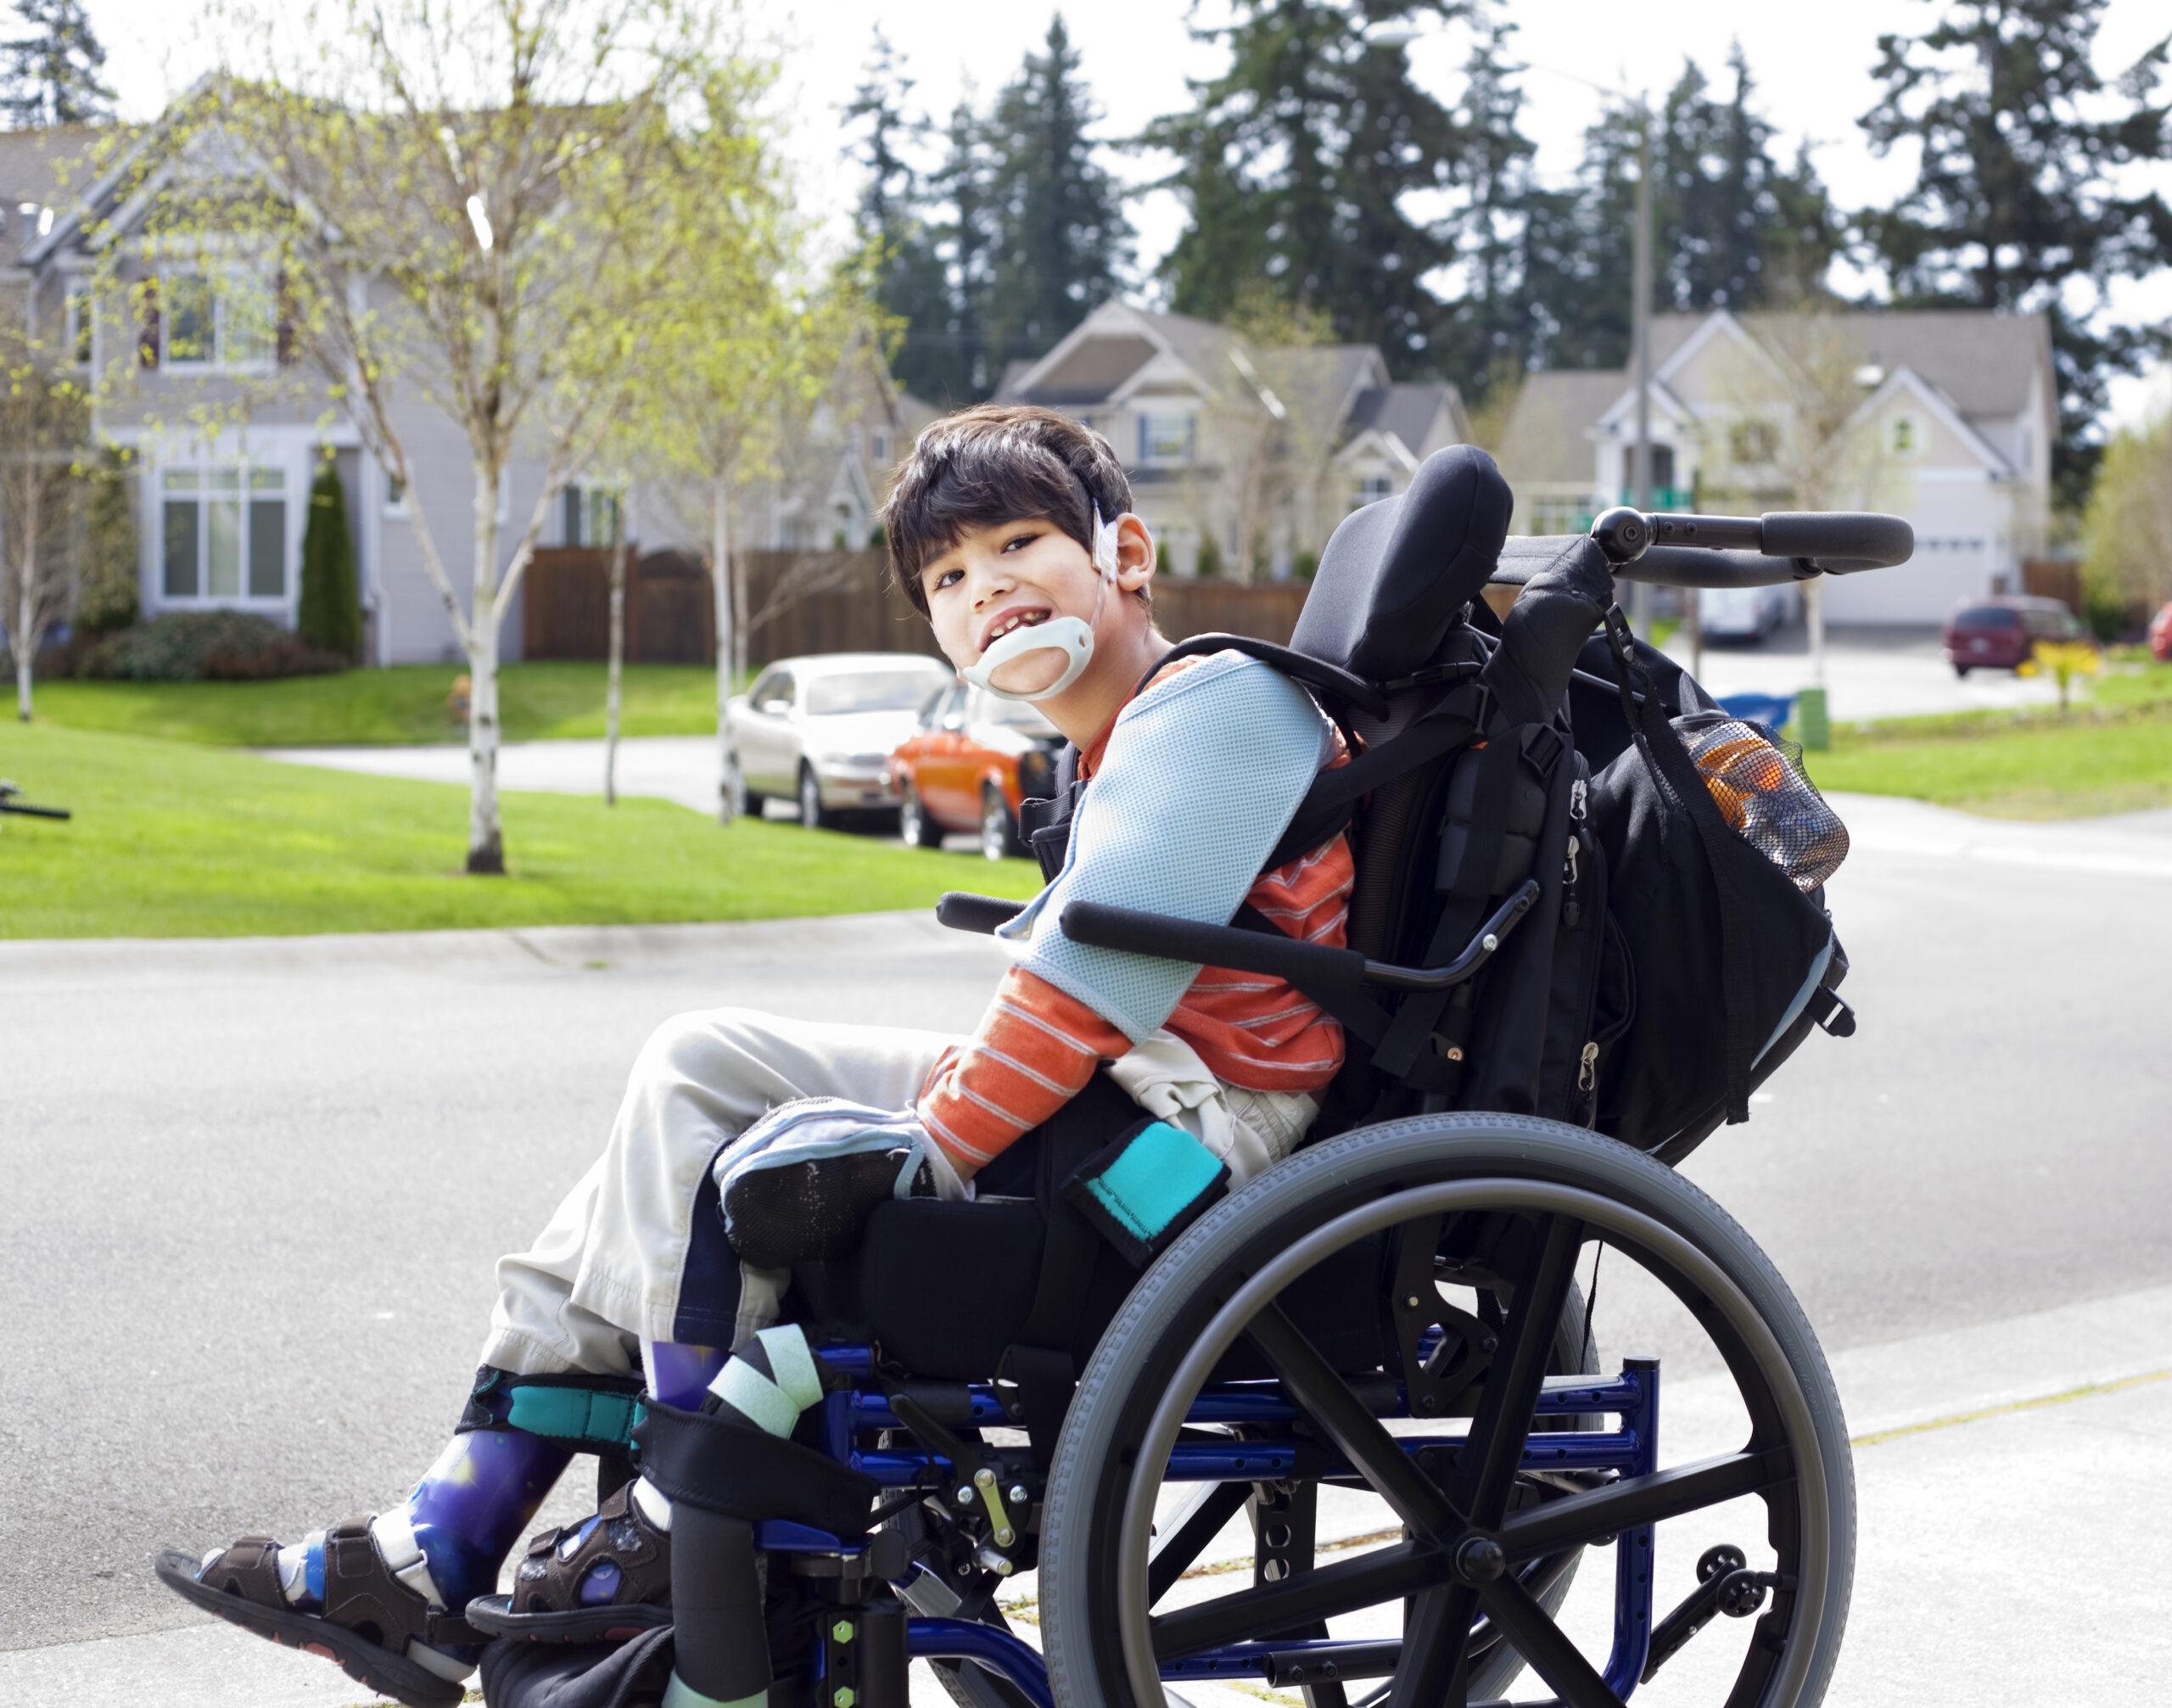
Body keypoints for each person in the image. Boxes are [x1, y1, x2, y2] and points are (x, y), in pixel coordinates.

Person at [155, 404, 1356, 1708]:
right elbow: (1082, 1003)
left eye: (1019, 542)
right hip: (1128, 1085)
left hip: (1185, 1136)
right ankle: (448, 1541)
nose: (986, 586)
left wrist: (921, 1155)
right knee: (702, 1060)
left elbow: (1078, 1000)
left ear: (1124, 553)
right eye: (948, 578)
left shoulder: (1219, 705)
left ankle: (666, 1514)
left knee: (734, 1111)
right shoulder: (1121, 735)